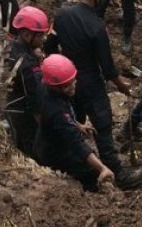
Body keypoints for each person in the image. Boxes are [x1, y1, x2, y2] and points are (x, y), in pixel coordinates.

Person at [44, 0, 131, 186]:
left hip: (67, 82)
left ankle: (81, 169)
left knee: (74, 126)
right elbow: (108, 68)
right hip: (91, 84)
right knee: (103, 127)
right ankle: (118, 174)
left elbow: (49, 47)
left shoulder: (62, 15)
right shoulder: (96, 26)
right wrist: (123, 86)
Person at [35, 54, 116, 192]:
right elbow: (76, 144)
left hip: (47, 141)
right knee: (91, 173)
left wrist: (77, 124)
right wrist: (102, 168)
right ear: (55, 87)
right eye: (67, 86)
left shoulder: (52, 94)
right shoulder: (56, 109)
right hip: (55, 153)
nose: (73, 87)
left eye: (73, 81)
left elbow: (63, 118)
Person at [5, 6, 49, 157]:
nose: (44, 39)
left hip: (10, 108)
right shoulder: (27, 65)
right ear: (26, 34)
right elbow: (34, 100)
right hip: (24, 117)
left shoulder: (10, 47)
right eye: (40, 35)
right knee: (32, 151)